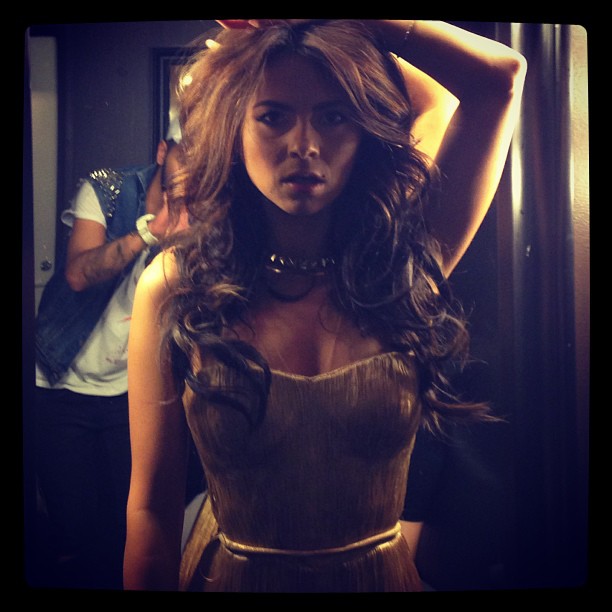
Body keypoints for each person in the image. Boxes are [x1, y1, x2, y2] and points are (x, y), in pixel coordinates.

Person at [124, 19, 527, 592]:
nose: (304, 146)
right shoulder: (176, 287)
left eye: (334, 117)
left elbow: (500, 77)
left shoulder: (403, 264)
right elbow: (151, 511)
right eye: (273, 116)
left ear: (363, 134)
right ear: (234, 129)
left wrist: (344, 21)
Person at [33, 138, 187, 590]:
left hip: (129, 394)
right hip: (62, 384)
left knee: (128, 524)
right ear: (163, 152)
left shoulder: (205, 213)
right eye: (187, 152)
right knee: (75, 527)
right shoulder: (108, 190)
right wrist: (150, 232)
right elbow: (78, 275)